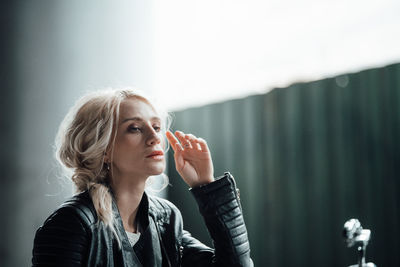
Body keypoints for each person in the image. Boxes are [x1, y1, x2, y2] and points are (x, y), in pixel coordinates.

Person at [32, 89, 252, 266]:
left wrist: (206, 185)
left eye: (156, 126)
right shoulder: (73, 223)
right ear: (104, 149)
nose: (154, 136)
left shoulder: (166, 219)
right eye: (135, 128)